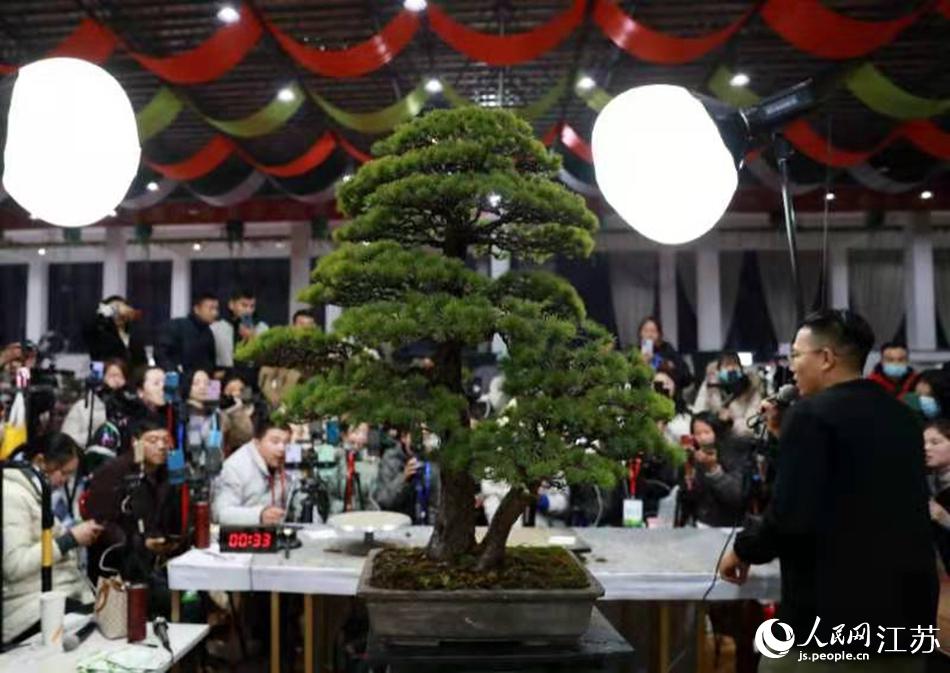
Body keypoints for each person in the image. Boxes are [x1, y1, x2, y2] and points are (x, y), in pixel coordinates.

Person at [718, 310, 937, 668]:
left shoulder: (811, 415)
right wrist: (783, 439)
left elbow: (790, 514)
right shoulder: (903, 417)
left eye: (796, 355)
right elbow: (851, 483)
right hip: (906, 621)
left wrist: (744, 550)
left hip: (835, 620)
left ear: (825, 358)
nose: (792, 367)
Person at [2, 433, 103, 644]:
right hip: (26, 609)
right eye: (63, 473)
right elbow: (14, 564)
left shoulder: (35, 493)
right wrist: (70, 540)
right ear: (40, 461)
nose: (64, 481)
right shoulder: (12, 496)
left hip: (51, 596)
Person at [83, 418, 180, 586]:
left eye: (165, 440)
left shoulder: (169, 472)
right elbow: (102, 523)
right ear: (136, 442)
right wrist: (141, 543)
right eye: (153, 440)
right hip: (119, 563)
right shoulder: (113, 472)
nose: (161, 446)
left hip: (159, 559)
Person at [213, 418, 293, 526]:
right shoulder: (235, 468)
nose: (282, 448)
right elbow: (222, 513)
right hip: (242, 533)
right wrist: (260, 515)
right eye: (275, 442)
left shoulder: (280, 464)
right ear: (257, 442)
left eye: (287, 443)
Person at [675, 412, 748, 528]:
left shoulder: (733, 453)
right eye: (698, 433)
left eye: (707, 432)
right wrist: (688, 471)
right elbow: (688, 497)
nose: (703, 438)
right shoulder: (693, 456)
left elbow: (735, 496)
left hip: (730, 525)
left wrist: (713, 469)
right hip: (702, 523)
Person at [374, 429, 442, 524]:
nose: (420, 441)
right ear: (404, 438)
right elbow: (384, 501)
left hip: (425, 525)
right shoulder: (391, 460)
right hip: (398, 523)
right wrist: (404, 477)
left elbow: (435, 505)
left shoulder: (432, 462)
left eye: (425, 437)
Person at [692, 351, 763, 438]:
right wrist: (715, 422)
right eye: (726, 365)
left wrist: (731, 422)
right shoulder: (710, 386)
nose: (731, 369)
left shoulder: (751, 388)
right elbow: (699, 411)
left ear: (741, 369)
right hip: (714, 437)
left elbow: (752, 421)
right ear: (718, 369)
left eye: (734, 365)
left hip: (742, 438)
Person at [60, 358, 128, 449]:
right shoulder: (82, 407)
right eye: (113, 376)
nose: (117, 381)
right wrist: (96, 437)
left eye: (121, 377)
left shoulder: (128, 408)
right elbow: (67, 439)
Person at [258, 310, 315, 407]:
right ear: (293, 327)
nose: (305, 329)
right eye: (301, 324)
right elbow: (264, 381)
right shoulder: (279, 351)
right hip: (284, 404)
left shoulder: (321, 351)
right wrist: (276, 401)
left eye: (309, 325)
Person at [156, 293, 219, 373]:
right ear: (197, 309)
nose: (215, 313)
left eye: (216, 309)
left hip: (201, 379)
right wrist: (178, 374)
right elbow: (162, 356)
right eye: (211, 308)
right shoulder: (177, 326)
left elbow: (210, 362)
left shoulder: (208, 333)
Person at [82, 295, 146, 371]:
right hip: (104, 373)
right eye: (113, 310)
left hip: (130, 375)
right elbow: (87, 326)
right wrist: (105, 311)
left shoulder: (133, 336)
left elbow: (142, 363)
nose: (117, 314)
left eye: (119, 309)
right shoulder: (100, 333)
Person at [211, 288, 268, 370]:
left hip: (252, 373)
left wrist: (252, 339)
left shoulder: (261, 328)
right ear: (231, 305)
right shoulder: (217, 328)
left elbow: (267, 359)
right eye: (244, 305)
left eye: (252, 306)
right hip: (226, 373)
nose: (248, 311)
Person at [923, 420, 950, 570]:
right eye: (923, 443)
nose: (926, 448)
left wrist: (944, 517)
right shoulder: (928, 482)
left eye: (935, 442)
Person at [636, 316, 691, 389]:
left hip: (666, 392)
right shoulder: (635, 351)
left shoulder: (666, 349)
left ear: (659, 334)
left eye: (653, 331)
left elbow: (686, 376)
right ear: (640, 334)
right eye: (645, 331)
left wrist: (658, 362)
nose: (649, 335)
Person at [653, 367, 691, 446]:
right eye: (658, 384)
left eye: (667, 383)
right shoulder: (642, 413)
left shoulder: (686, 417)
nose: (663, 387)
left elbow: (688, 444)